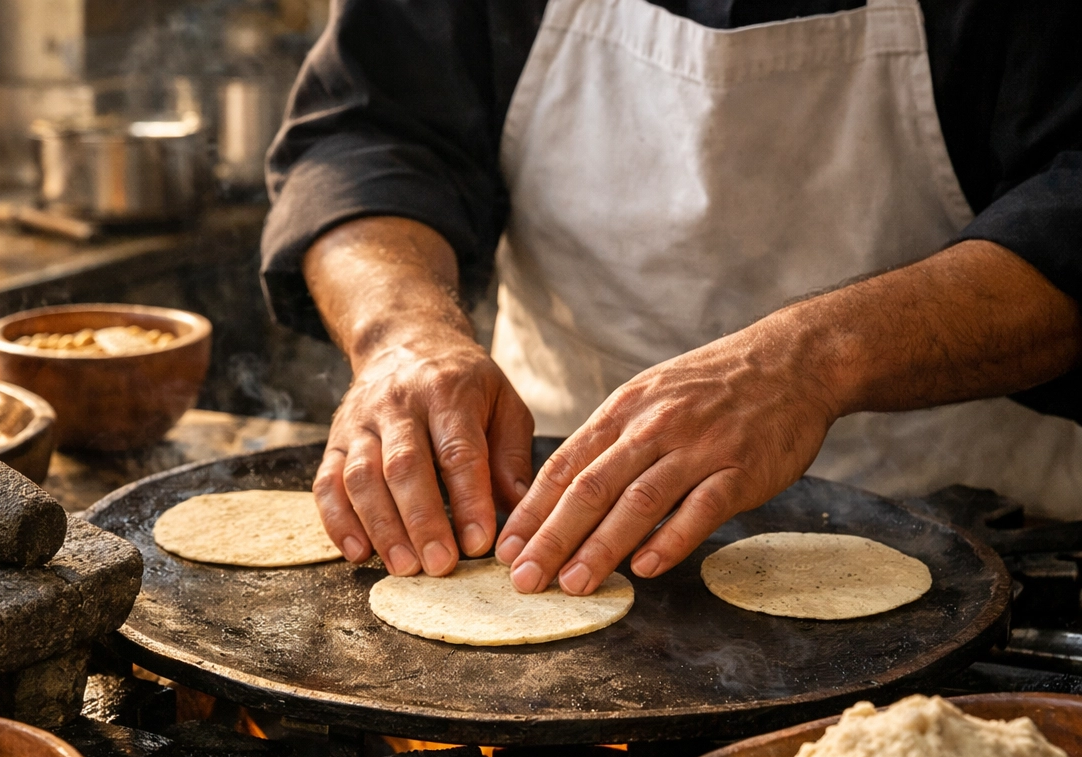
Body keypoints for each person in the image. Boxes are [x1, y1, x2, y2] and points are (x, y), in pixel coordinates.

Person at [260, 0, 1082, 598]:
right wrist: (404, 336)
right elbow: (370, 135)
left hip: (972, 534)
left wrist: (809, 361)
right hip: (545, 517)